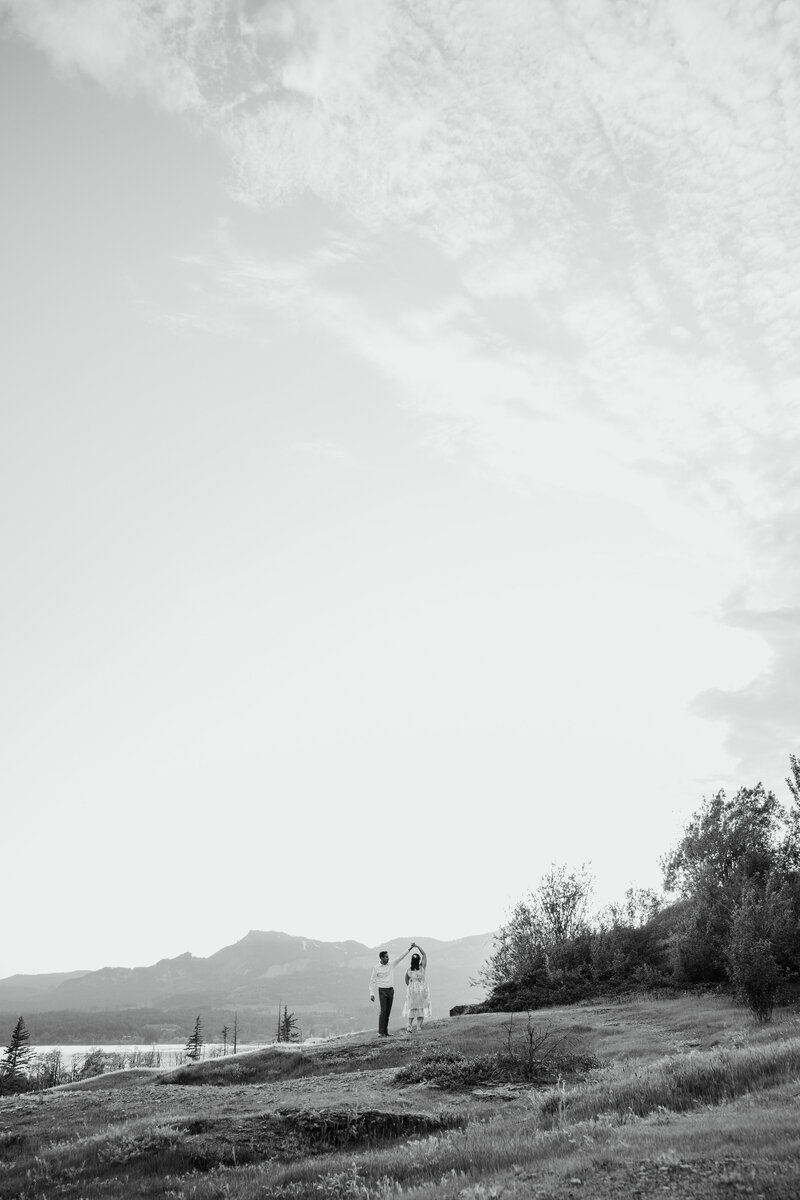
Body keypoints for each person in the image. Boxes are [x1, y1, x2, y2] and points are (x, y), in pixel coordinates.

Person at [369, 944, 413, 1037]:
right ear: (381, 958)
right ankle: (381, 1032)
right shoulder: (376, 968)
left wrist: (409, 948)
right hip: (382, 991)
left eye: (388, 957)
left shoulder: (391, 964)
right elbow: (372, 981)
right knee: (383, 1011)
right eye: (386, 957)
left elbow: (400, 957)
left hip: (391, 990)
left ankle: (385, 1032)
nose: (388, 958)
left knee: (388, 1012)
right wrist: (372, 993)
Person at [403, 941, 431, 1032]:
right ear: (419, 960)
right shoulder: (422, 967)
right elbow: (424, 954)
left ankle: (409, 1026)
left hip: (412, 991)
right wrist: (417, 946)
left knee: (412, 1008)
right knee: (421, 1008)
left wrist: (410, 986)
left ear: (411, 961)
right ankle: (418, 1026)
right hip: (422, 990)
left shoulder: (409, 970)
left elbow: (406, 980)